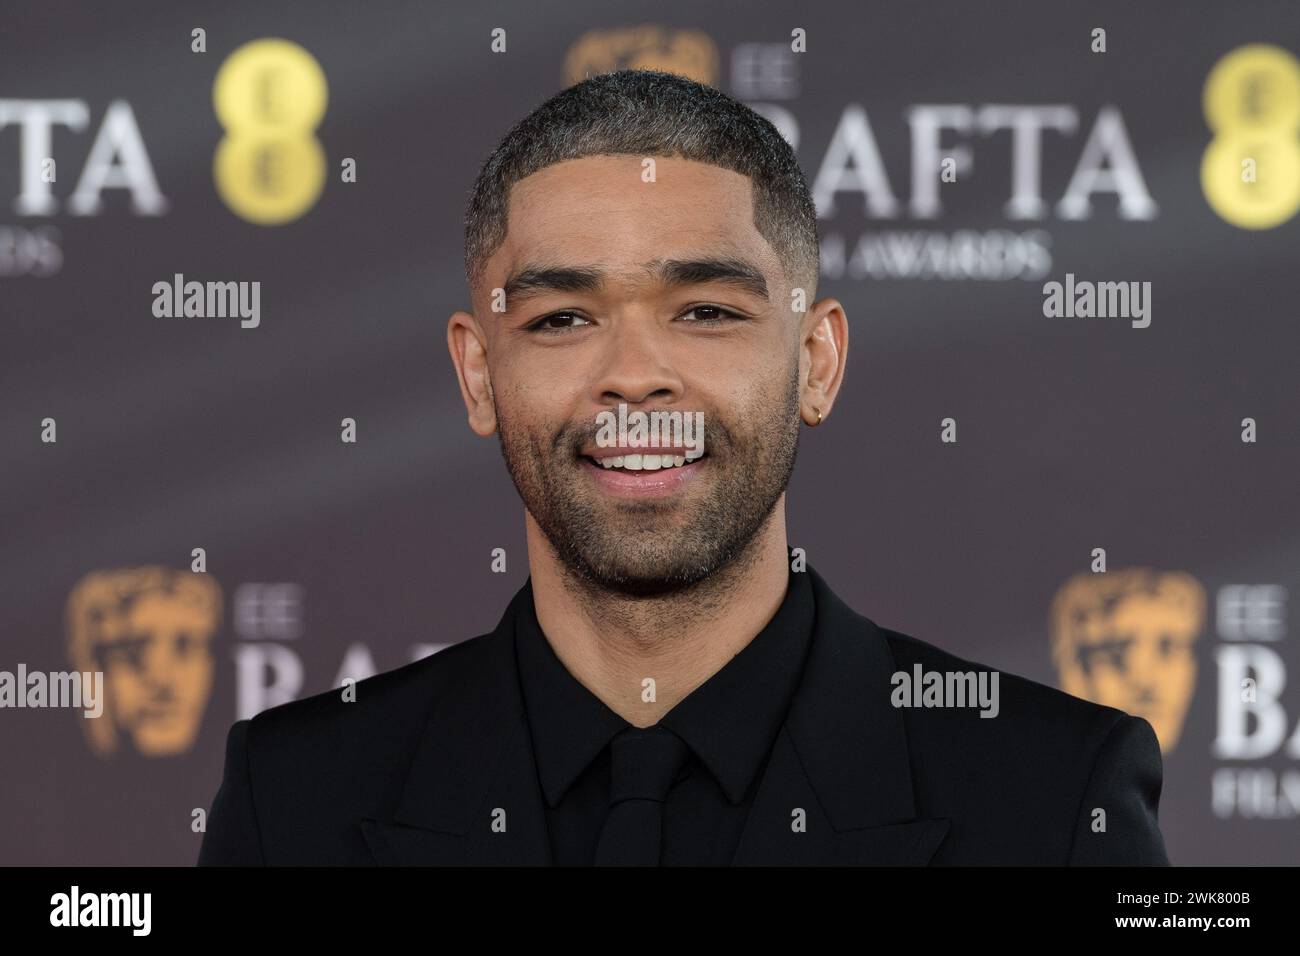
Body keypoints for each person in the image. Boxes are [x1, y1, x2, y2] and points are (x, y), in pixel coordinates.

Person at [198, 69, 1169, 866]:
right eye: (561, 318)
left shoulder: (1053, 800)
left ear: (815, 362)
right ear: (477, 370)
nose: (632, 375)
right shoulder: (296, 801)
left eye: (705, 309)